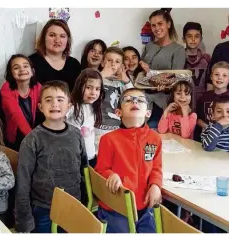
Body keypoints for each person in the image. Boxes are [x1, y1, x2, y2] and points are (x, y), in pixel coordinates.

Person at [15, 81, 87, 233]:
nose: (55, 104)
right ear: (41, 107)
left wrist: (85, 203)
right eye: (49, 100)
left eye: (60, 99)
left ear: (69, 105)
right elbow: (23, 181)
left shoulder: (76, 134)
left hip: (74, 205)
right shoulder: (32, 140)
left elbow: (84, 170)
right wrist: (24, 219)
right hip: (43, 209)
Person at [96, 88, 162, 233]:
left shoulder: (155, 138)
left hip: (145, 206)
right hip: (116, 208)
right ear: (118, 112)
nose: (134, 101)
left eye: (140, 100)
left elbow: (156, 168)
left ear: (148, 113)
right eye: (128, 99)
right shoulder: (108, 139)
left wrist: (156, 185)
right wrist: (111, 175)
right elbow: (101, 170)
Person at [138, 9, 186, 129]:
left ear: (168, 24)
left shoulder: (178, 49)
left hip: (162, 103)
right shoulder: (149, 46)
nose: (156, 28)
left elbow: (176, 78)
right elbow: (140, 72)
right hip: (144, 100)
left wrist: (151, 73)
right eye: (153, 25)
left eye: (160, 24)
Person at [195, 61, 229, 141]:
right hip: (207, 140)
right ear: (211, 77)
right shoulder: (204, 97)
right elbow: (198, 119)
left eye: (224, 75)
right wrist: (210, 128)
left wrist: (228, 127)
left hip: (228, 142)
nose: (220, 78)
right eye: (216, 74)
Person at [94, 47, 134, 149]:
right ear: (102, 63)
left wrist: (126, 81)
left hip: (118, 131)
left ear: (121, 66)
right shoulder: (96, 78)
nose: (113, 64)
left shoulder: (121, 83)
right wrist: (101, 75)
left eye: (117, 62)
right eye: (109, 60)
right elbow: (87, 90)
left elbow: (134, 99)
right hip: (97, 132)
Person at [0, 54, 42, 151]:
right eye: (16, 67)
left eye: (25, 66)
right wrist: (33, 138)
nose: (22, 69)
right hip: (15, 138)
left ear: (32, 71)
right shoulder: (7, 88)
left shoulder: (37, 87)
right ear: (11, 73)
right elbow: (16, 115)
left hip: (33, 133)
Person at [66, 68, 105, 167]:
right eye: (88, 87)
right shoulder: (72, 107)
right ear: (79, 87)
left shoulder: (94, 107)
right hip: (74, 157)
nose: (93, 92)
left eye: (97, 89)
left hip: (90, 156)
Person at [29, 19, 81, 91]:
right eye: (52, 35)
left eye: (62, 36)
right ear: (44, 38)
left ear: (67, 40)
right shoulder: (31, 62)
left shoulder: (74, 64)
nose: (57, 40)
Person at [183, 22, 211, 110]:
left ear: (201, 39)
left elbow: (210, 83)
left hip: (202, 102)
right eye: (189, 36)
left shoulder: (207, 58)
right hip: (183, 101)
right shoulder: (178, 57)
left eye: (197, 36)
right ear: (184, 39)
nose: (193, 39)